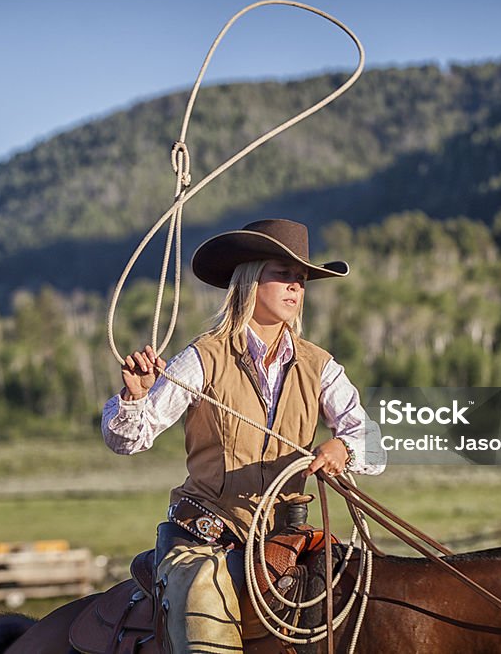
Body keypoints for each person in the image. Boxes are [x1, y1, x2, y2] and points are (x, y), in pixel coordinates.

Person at [101, 218, 385, 653]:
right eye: (283, 274)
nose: (295, 287)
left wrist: (343, 447)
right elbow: (130, 439)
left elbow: (369, 437)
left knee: (367, 601)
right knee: (206, 622)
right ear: (251, 280)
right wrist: (134, 396)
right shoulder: (202, 358)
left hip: (285, 535)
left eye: (302, 279)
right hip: (204, 539)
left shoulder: (319, 364)